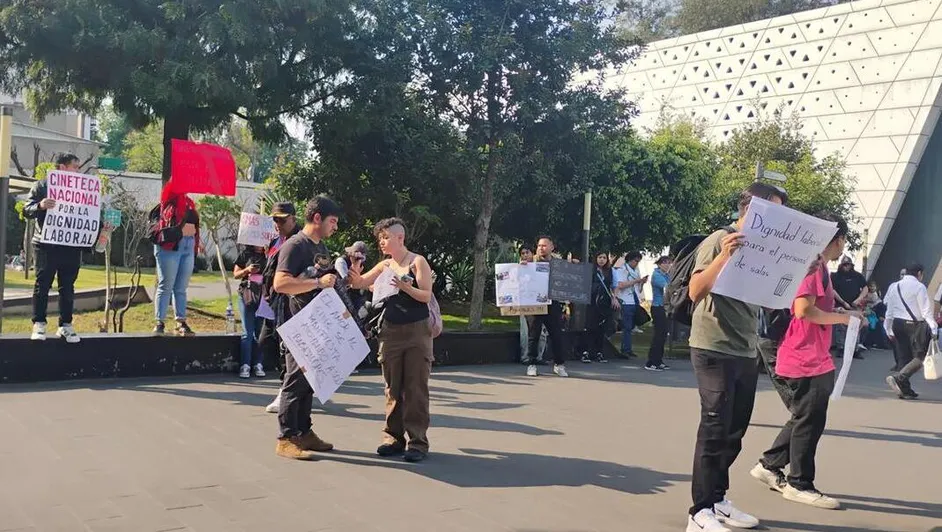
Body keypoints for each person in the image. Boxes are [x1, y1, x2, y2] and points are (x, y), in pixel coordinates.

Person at [685, 182, 788, 532]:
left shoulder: (765, 250)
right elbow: (695, 291)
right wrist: (724, 256)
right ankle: (699, 512)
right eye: (772, 211)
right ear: (751, 209)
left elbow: (771, 302)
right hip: (713, 345)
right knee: (714, 426)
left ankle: (717, 499)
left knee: (734, 431)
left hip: (745, 347)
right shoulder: (720, 238)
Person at [749, 214, 852, 511]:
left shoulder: (817, 265)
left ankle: (769, 465)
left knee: (805, 416)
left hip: (809, 353)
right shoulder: (813, 265)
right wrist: (843, 319)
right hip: (804, 355)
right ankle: (799, 483)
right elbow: (804, 309)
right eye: (843, 241)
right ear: (838, 239)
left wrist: (842, 313)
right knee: (809, 420)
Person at [348, 218, 435, 463]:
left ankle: (417, 442)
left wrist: (405, 287)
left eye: (386, 237)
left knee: (415, 387)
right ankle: (393, 438)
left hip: (417, 331)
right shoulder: (385, 265)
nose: (382, 242)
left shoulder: (417, 262)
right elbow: (359, 283)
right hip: (390, 331)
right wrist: (354, 271)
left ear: (400, 238)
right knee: (392, 386)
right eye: (380, 238)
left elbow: (426, 295)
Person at [272, 196, 342, 460]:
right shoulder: (295, 245)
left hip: (316, 324)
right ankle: (286, 438)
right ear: (317, 218)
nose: (335, 227)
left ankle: (304, 431)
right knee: (294, 379)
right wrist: (317, 283)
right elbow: (281, 283)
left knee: (310, 380)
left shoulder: (319, 246)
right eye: (332, 221)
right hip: (297, 324)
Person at [23, 153, 84, 343]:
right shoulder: (41, 186)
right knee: (43, 285)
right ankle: (39, 323)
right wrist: (40, 205)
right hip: (45, 244)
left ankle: (65, 325)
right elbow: (26, 209)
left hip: (71, 246)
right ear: (63, 167)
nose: (78, 171)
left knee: (68, 287)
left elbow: (87, 214)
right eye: (75, 167)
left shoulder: (81, 189)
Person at [262, 202, 301, 413]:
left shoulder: (299, 242)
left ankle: (285, 393)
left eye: (282, 220)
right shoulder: (275, 241)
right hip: (272, 302)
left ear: (293, 219)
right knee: (267, 343)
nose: (278, 224)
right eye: (275, 220)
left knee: (286, 349)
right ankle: (291, 389)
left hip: (289, 302)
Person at [883, 263, 937, 400]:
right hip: (915, 325)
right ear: (919, 273)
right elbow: (925, 311)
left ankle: (905, 389)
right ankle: (900, 378)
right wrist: (933, 327)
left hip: (897, 324)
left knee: (904, 357)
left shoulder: (894, 286)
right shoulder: (919, 287)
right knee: (921, 356)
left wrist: (888, 328)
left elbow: (889, 310)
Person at [150, 190, 199, 336]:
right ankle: (159, 322)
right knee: (166, 284)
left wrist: (197, 241)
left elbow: (195, 224)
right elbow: (165, 223)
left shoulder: (189, 203)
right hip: (171, 245)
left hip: (188, 243)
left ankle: (180, 321)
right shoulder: (168, 202)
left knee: (181, 287)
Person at [521, 236, 571, 377]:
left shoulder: (559, 264)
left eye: (544, 245)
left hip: (553, 302)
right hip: (535, 303)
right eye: (539, 246)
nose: (541, 248)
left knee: (556, 335)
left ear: (551, 247)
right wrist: (522, 267)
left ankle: (559, 364)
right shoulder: (531, 262)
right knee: (533, 335)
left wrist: (574, 265)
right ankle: (531, 364)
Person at [234, 245, 267, 379]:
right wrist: (247, 270)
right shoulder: (245, 254)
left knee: (259, 331)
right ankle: (245, 364)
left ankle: (258, 363)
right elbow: (236, 274)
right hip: (247, 294)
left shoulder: (270, 254)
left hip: (263, 296)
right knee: (247, 332)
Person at [580, 252, 617, 363]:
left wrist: (614, 298)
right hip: (592, 301)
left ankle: (599, 352)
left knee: (601, 329)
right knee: (590, 327)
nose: (602, 260)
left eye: (604, 258)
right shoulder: (591, 270)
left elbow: (613, 286)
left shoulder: (611, 271)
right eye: (600, 257)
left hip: (604, 303)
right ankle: (586, 352)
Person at [830, 256, 868, 358]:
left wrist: (859, 299)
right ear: (841, 265)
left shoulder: (857, 276)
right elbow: (832, 290)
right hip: (841, 306)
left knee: (855, 326)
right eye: (844, 265)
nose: (846, 267)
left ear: (851, 265)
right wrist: (843, 302)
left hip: (854, 306)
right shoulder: (835, 276)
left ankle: (855, 349)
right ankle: (841, 348)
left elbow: (865, 288)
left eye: (848, 265)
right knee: (841, 327)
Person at [612, 251, 647, 359]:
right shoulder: (622, 270)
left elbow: (638, 289)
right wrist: (636, 281)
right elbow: (620, 285)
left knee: (631, 326)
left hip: (634, 300)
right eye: (635, 261)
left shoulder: (636, 271)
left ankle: (628, 348)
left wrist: (641, 283)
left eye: (638, 261)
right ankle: (625, 349)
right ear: (630, 260)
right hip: (625, 300)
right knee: (626, 326)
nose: (636, 263)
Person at [518, 245, 548, 364]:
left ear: (532, 253)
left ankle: (539, 357)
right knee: (525, 332)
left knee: (542, 332)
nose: (525, 255)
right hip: (525, 304)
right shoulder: (518, 268)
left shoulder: (541, 266)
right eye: (523, 253)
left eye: (527, 252)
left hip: (539, 302)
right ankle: (526, 357)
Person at [647, 256, 672, 371]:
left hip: (665, 307)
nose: (667, 265)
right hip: (658, 307)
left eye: (669, 263)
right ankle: (651, 361)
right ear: (659, 264)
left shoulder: (667, 275)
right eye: (665, 263)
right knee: (658, 335)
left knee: (663, 335)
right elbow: (668, 287)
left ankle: (659, 360)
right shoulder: (657, 275)